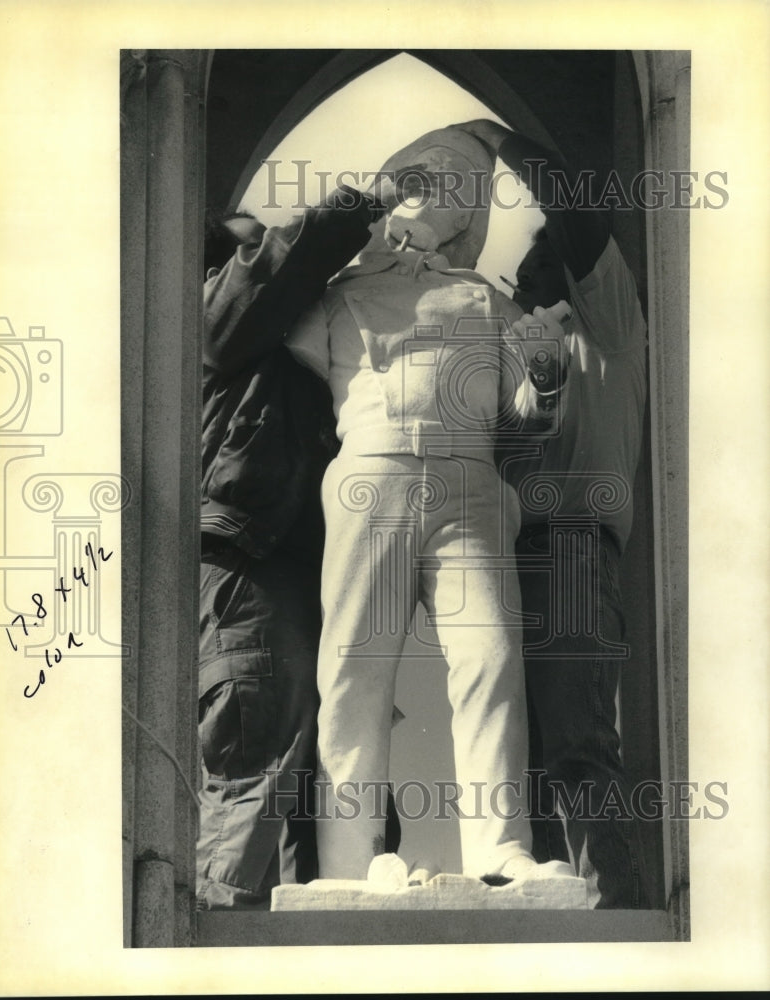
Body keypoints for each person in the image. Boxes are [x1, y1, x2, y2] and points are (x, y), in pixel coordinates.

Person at [286, 123, 571, 885]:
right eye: (417, 181)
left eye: (449, 187)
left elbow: (525, 420)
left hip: (470, 481)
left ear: (470, 214)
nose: (428, 196)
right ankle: (346, 862)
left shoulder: (490, 303)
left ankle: (501, 850)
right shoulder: (332, 296)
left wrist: (543, 381)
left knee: (490, 661)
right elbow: (268, 330)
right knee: (352, 668)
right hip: (369, 476)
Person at [464, 120, 651, 908]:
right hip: (516, 557)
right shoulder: (525, 353)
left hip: (572, 552)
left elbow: (571, 206)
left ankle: (618, 914)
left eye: (538, 257)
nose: (519, 270)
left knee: (575, 745)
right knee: (525, 765)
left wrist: (492, 137)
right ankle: (548, 922)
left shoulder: (604, 319)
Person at [196, 189, 390, 909]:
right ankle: (210, 938)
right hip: (247, 565)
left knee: (322, 756)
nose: (266, 256)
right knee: (261, 747)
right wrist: (355, 207)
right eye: (250, 247)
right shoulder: (221, 319)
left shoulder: (292, 363)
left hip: (293, 568)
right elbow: (278, 267)